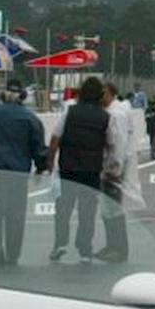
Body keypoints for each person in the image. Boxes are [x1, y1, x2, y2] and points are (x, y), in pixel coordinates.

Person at [0, 80, 48, 267]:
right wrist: (41, 167)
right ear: (22, 96)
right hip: (17, 173)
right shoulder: (30, 119)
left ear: (4, 95)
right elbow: (38, 147)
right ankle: (13, 254)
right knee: (16, 214)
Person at [45, 76, 112, 262]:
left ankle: (60, 244)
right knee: (87, 211)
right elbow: (110, 144)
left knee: (63, 208)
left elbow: (55, 138)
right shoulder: (105, 117)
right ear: (100, 95)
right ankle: (84, 249)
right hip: (92, 169)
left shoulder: (70, 111)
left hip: (69, 167)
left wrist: (50, 162)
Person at [99, 80, 139, 261]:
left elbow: (119, 144)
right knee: (107, 208)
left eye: (103, 94)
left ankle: (119, 248)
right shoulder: (113, 112)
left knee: (113, 208)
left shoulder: (117, 114)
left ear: (111, 94)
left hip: (114, 168)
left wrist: (114, 168)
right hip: (111, 165)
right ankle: (111, 245)